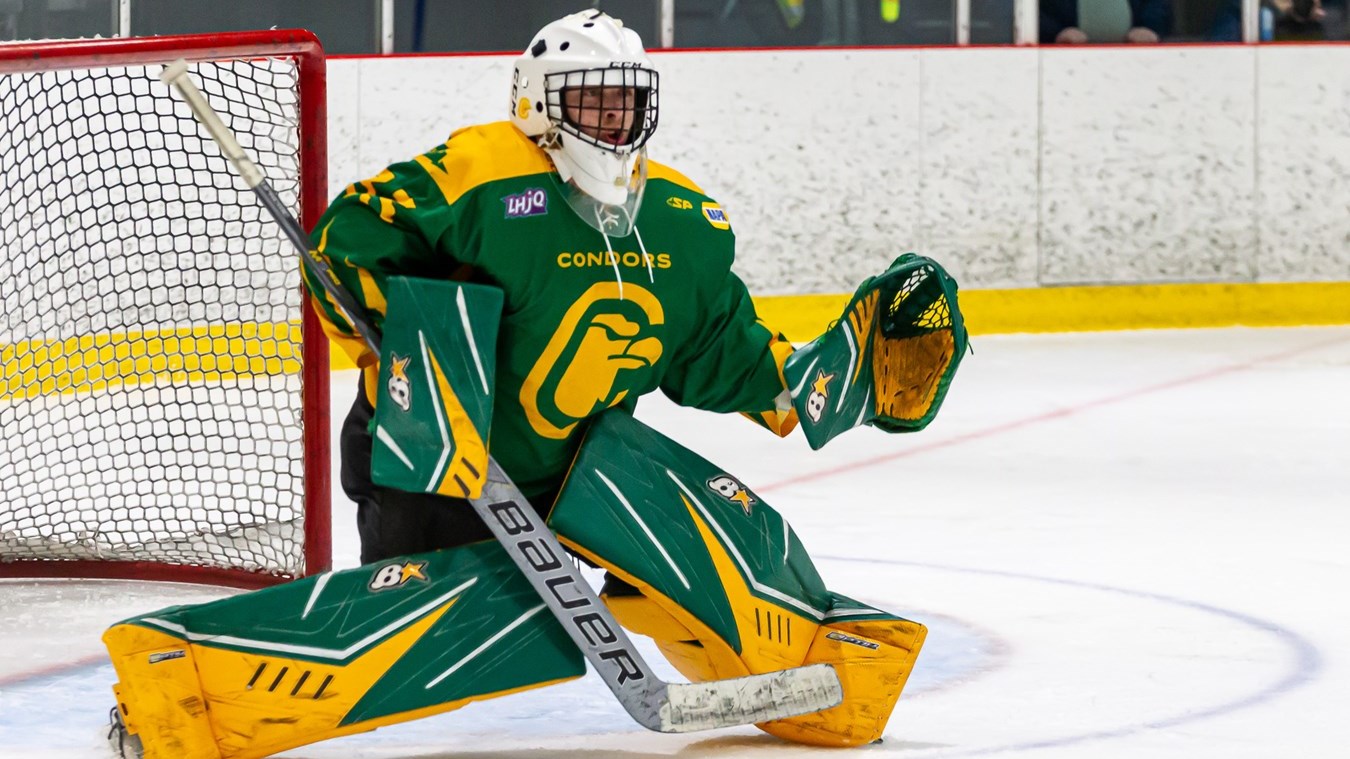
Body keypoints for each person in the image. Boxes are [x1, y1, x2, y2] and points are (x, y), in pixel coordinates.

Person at [305, 9, 800, 566]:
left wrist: (809, 385)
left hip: (567, 478)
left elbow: (714, 340)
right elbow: (347, 241)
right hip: (429, 458)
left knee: (541, 643)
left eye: (629, 96)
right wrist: (413, 351)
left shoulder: (679, 214)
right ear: (537, 101)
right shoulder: (484, 171)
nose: (616, 112)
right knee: (425, 635)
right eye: (593, 96)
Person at [1040, 0, 1173, 42]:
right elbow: (1030, 11)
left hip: (1136, 62)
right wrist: (1056, 33)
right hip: (1062, 61)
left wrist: (1150, 28)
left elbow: (1159, 6)